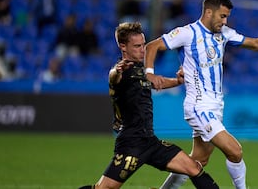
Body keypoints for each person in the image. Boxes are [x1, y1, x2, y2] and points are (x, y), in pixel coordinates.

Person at [144, 0, 258, 189]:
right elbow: (152, 46)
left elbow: (254, 43)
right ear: (209, 12)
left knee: (198, 161)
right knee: (235, 151)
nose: (225, 21)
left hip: (215, 105)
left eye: (227, 17)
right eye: (222, 16)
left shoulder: (224, 33)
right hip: (199, 106)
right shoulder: (187, 33)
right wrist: (149, 73)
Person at [78, 22, 219, 189]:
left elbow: (157, 82)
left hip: (150, 142)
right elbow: (113, 77)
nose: (143, 49)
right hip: (131, 143)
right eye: (137, 46)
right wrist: (117, 70)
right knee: (104, 188)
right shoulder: (120, 72)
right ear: (123, 47)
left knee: (193, 168)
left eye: (143, 44)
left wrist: (178, 81)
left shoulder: (141, 70)